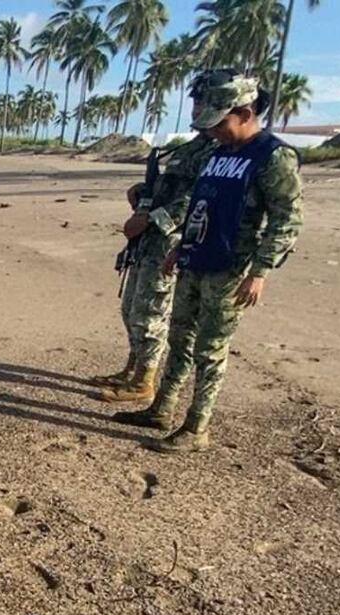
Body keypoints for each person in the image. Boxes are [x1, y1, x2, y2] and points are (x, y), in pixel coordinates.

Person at [114, 74, 304, 453]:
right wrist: (180, 248)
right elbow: (202, 205)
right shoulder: (219, 153)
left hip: (230, 269)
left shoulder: (272, 156)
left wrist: (260, 272)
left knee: (210, 349)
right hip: (195, 259)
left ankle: (197, 427)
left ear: (246, 113)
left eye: (219, 122)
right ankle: (162, 409)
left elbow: (287, 219)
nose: (212, 131)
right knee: (178, 338)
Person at [92, 71, 224, 402]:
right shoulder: (192, 147)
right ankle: (134, 367)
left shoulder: (216, 152)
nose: (195, 109)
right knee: (131, 308)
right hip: (147, 242)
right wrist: (144, 194)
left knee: (150, 311)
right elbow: (173, 188)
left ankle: (144, 381)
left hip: (169, 241)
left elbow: (197, 201)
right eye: (194, 102)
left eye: (202, 102)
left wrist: (151, 220)